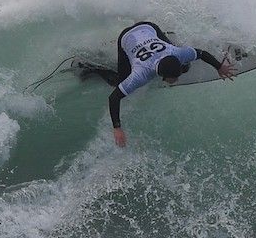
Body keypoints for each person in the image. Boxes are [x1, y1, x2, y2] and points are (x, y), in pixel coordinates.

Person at [99, 21, 236, 147]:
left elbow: (202, 53)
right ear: (163, 76)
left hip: (149, 27)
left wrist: (219, 67)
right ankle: (93, 69)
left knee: (185, 66)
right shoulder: (140, 74)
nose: (177, 80)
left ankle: (167, 40)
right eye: (174, 78)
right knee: (119, 81)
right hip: (126, 37)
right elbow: (114, 98)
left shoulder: (176, 53)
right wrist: (117, 128)